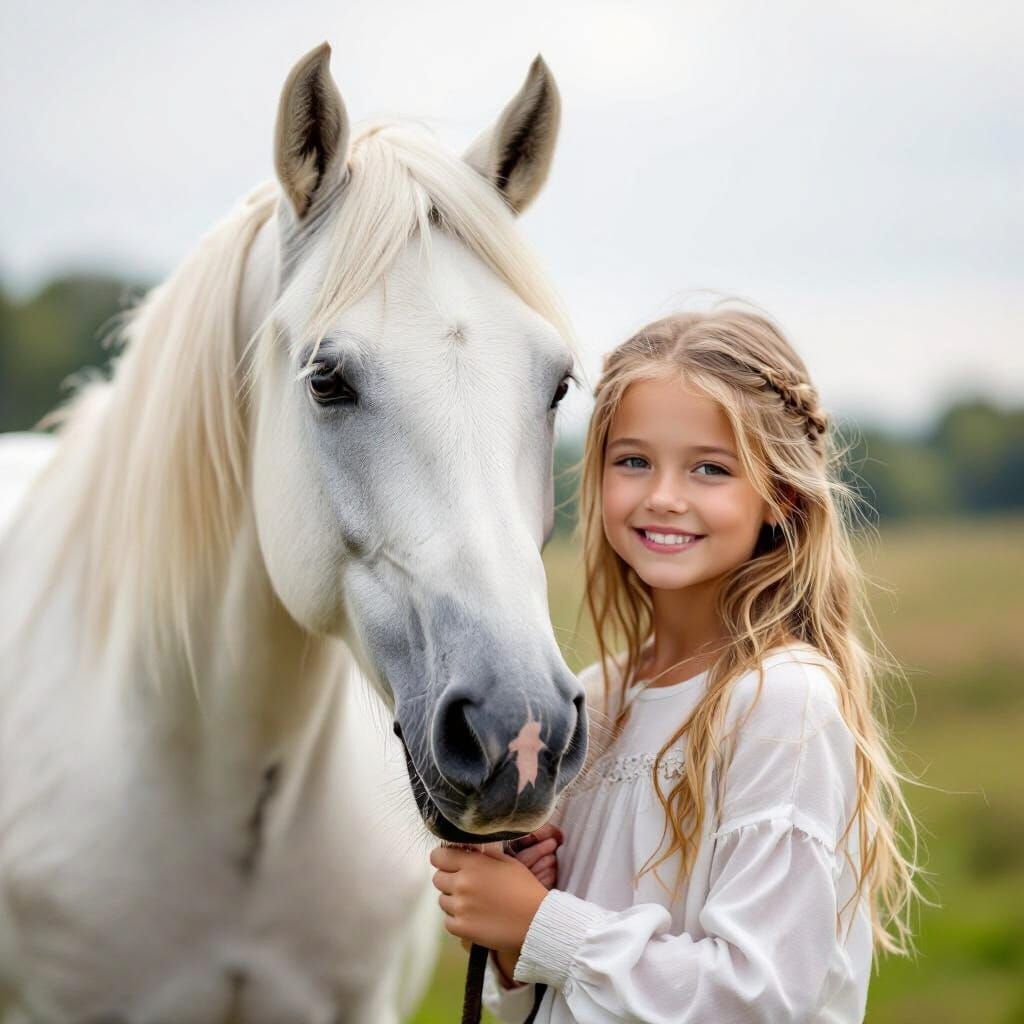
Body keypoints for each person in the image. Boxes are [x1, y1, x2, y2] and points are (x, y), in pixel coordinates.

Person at [429, 309, 921, 1022]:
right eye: (633, 460)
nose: (663, 495)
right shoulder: (593, 701)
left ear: (780, 494)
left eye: (710, 469)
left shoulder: (780, 702)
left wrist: (542, 925)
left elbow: (757, 999)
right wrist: (514, 938)